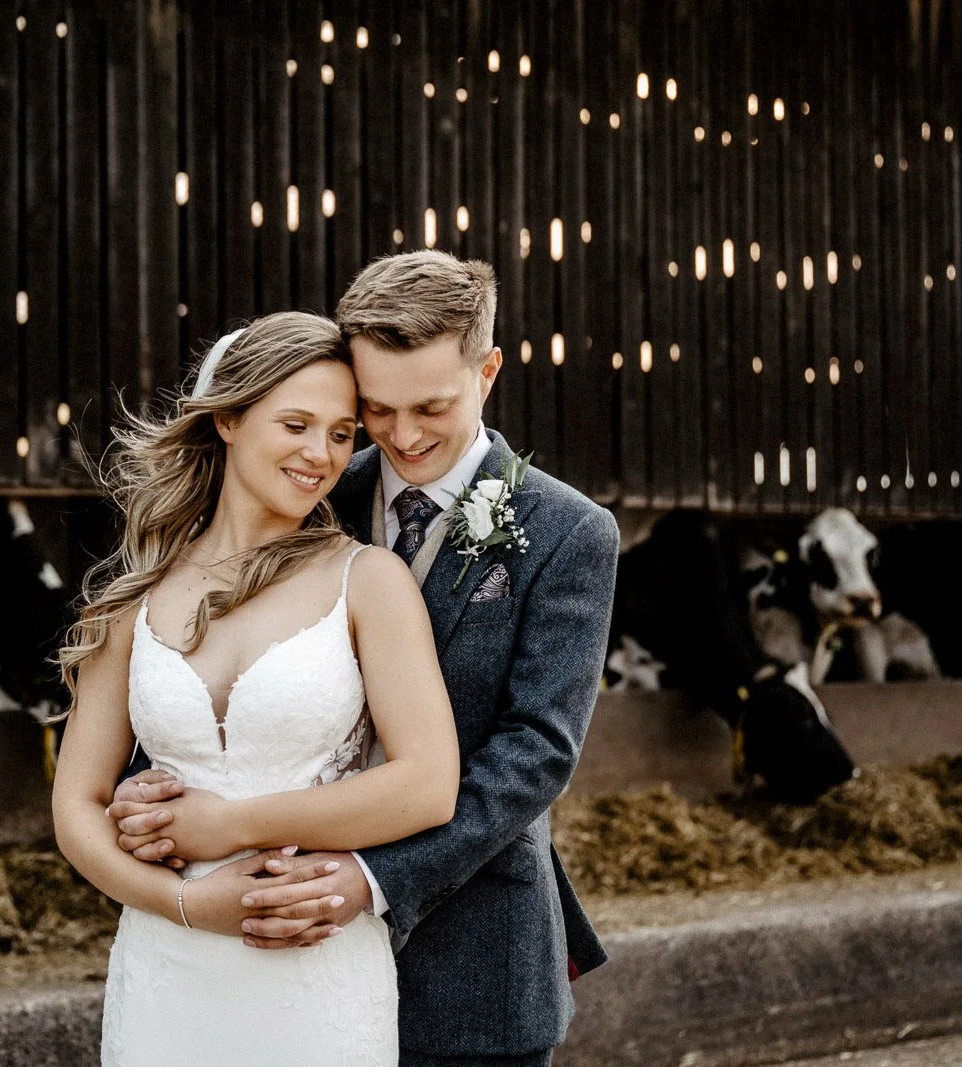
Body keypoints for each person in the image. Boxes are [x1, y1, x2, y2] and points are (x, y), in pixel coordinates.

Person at [110, 251, 622, 1065]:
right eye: (377, 409)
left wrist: (372, 875)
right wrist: (153, 780)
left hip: (473, 952)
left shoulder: (569, 532)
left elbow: (536, 751)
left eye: (431, 407)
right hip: (274, 947)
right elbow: (214, 651)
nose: (404, 436)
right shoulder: (309, 484)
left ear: (487, 372)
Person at [50, 310, 462, 1066]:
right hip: (165, 973)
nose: (320, 454)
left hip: (313, 971)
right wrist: (183, 902)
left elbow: (429, 785)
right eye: (296, 425)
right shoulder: (135, 599)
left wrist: (229, 826)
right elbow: (76, 806)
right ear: (230, 419)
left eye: (341, 434)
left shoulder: (368, 581)